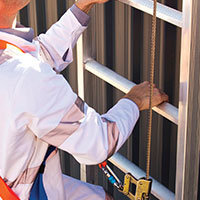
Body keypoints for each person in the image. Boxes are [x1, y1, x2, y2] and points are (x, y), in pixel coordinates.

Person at [0, 0, 168, 199]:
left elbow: (35, 59)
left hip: (16, 179)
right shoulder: (24, 76)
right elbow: (99, 142)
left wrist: (82, 6)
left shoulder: (15, 64)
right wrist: (134, 100)